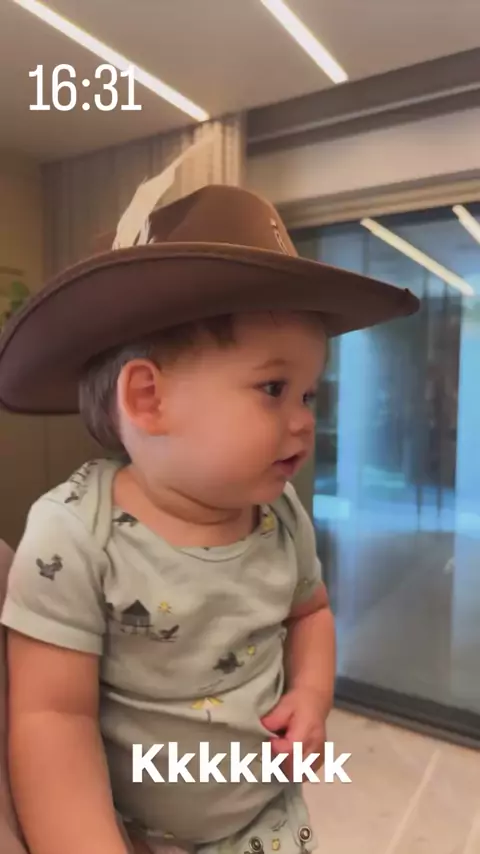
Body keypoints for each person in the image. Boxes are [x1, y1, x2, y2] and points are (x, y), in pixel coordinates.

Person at [0, 180, 419, 854]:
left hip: (268, 826)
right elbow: (52, 718)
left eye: (309, 394)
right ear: (148, 398)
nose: (304, 421)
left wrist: (312, 693)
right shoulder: (74, 536)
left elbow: (309, 611)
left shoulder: (279, 514)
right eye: (274, 388)